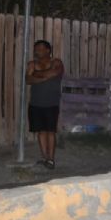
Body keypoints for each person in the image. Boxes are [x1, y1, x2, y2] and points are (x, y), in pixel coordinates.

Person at [26, 40, 64, 169]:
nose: (37, 51)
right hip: (35, 103)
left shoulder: (57, 62)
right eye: (36, 49)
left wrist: (37, 74)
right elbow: (28, 79)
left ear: (48, 50)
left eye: (40, 49)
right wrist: (46, 76)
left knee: (51, 132)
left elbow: (55, 73)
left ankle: (51, 159)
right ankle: (44, 157)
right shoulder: (32, 64)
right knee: (40, 132)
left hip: (51, 103)